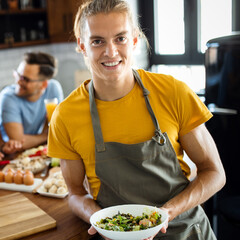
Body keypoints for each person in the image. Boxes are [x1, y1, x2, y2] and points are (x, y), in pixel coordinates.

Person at [47, 0, 226, 239]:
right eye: (97, 41)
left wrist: (167, 212)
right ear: (82, 46)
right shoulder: (65, 115)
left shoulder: (173, 92)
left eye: (120, 38)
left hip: (186, 231)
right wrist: (101, 222)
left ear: (133, 40)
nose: (110, 52)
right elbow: (76, 195)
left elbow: (214, 173)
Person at [0, 51, 64, 150]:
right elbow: (19, 142)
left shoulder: (53, 88)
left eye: (25, 79)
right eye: (18, 75)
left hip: (36, 150)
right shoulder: (7, 98)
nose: (18, 81)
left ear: (43, 85)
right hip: (10, 154)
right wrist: (47, 135)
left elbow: (57, 125)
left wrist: (48, 133)